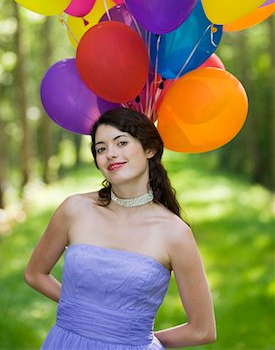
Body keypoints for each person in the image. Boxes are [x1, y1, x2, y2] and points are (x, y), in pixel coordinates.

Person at [24, 107, 216, 349]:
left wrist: (137, 339)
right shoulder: (75, 209)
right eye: (101, 148)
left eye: (121, 142)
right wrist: (83, 313)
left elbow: (203, 330)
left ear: (150, 149)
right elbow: (34, 273)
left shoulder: (174, 233)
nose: (110, 154)